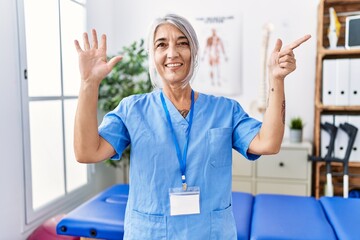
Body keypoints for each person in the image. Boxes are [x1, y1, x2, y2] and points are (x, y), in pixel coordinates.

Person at [74, 13, 311, 240]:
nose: (172, 53)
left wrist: (276, 80)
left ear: (194, 52)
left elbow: (268, 143)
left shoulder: (225, 110)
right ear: (152, 55)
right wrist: (89, 83)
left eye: (182, 43)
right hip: (149, 233)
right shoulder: (132, 110)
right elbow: (87, 152)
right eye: (161, 45)